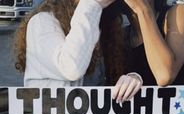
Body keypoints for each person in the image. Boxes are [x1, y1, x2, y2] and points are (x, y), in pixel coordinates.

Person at [14, 0, 143, 103]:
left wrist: (132, 78)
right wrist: (91, 4)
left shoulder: (104, 26)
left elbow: (109, 83)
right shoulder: (41, 22)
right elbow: (72, 68)